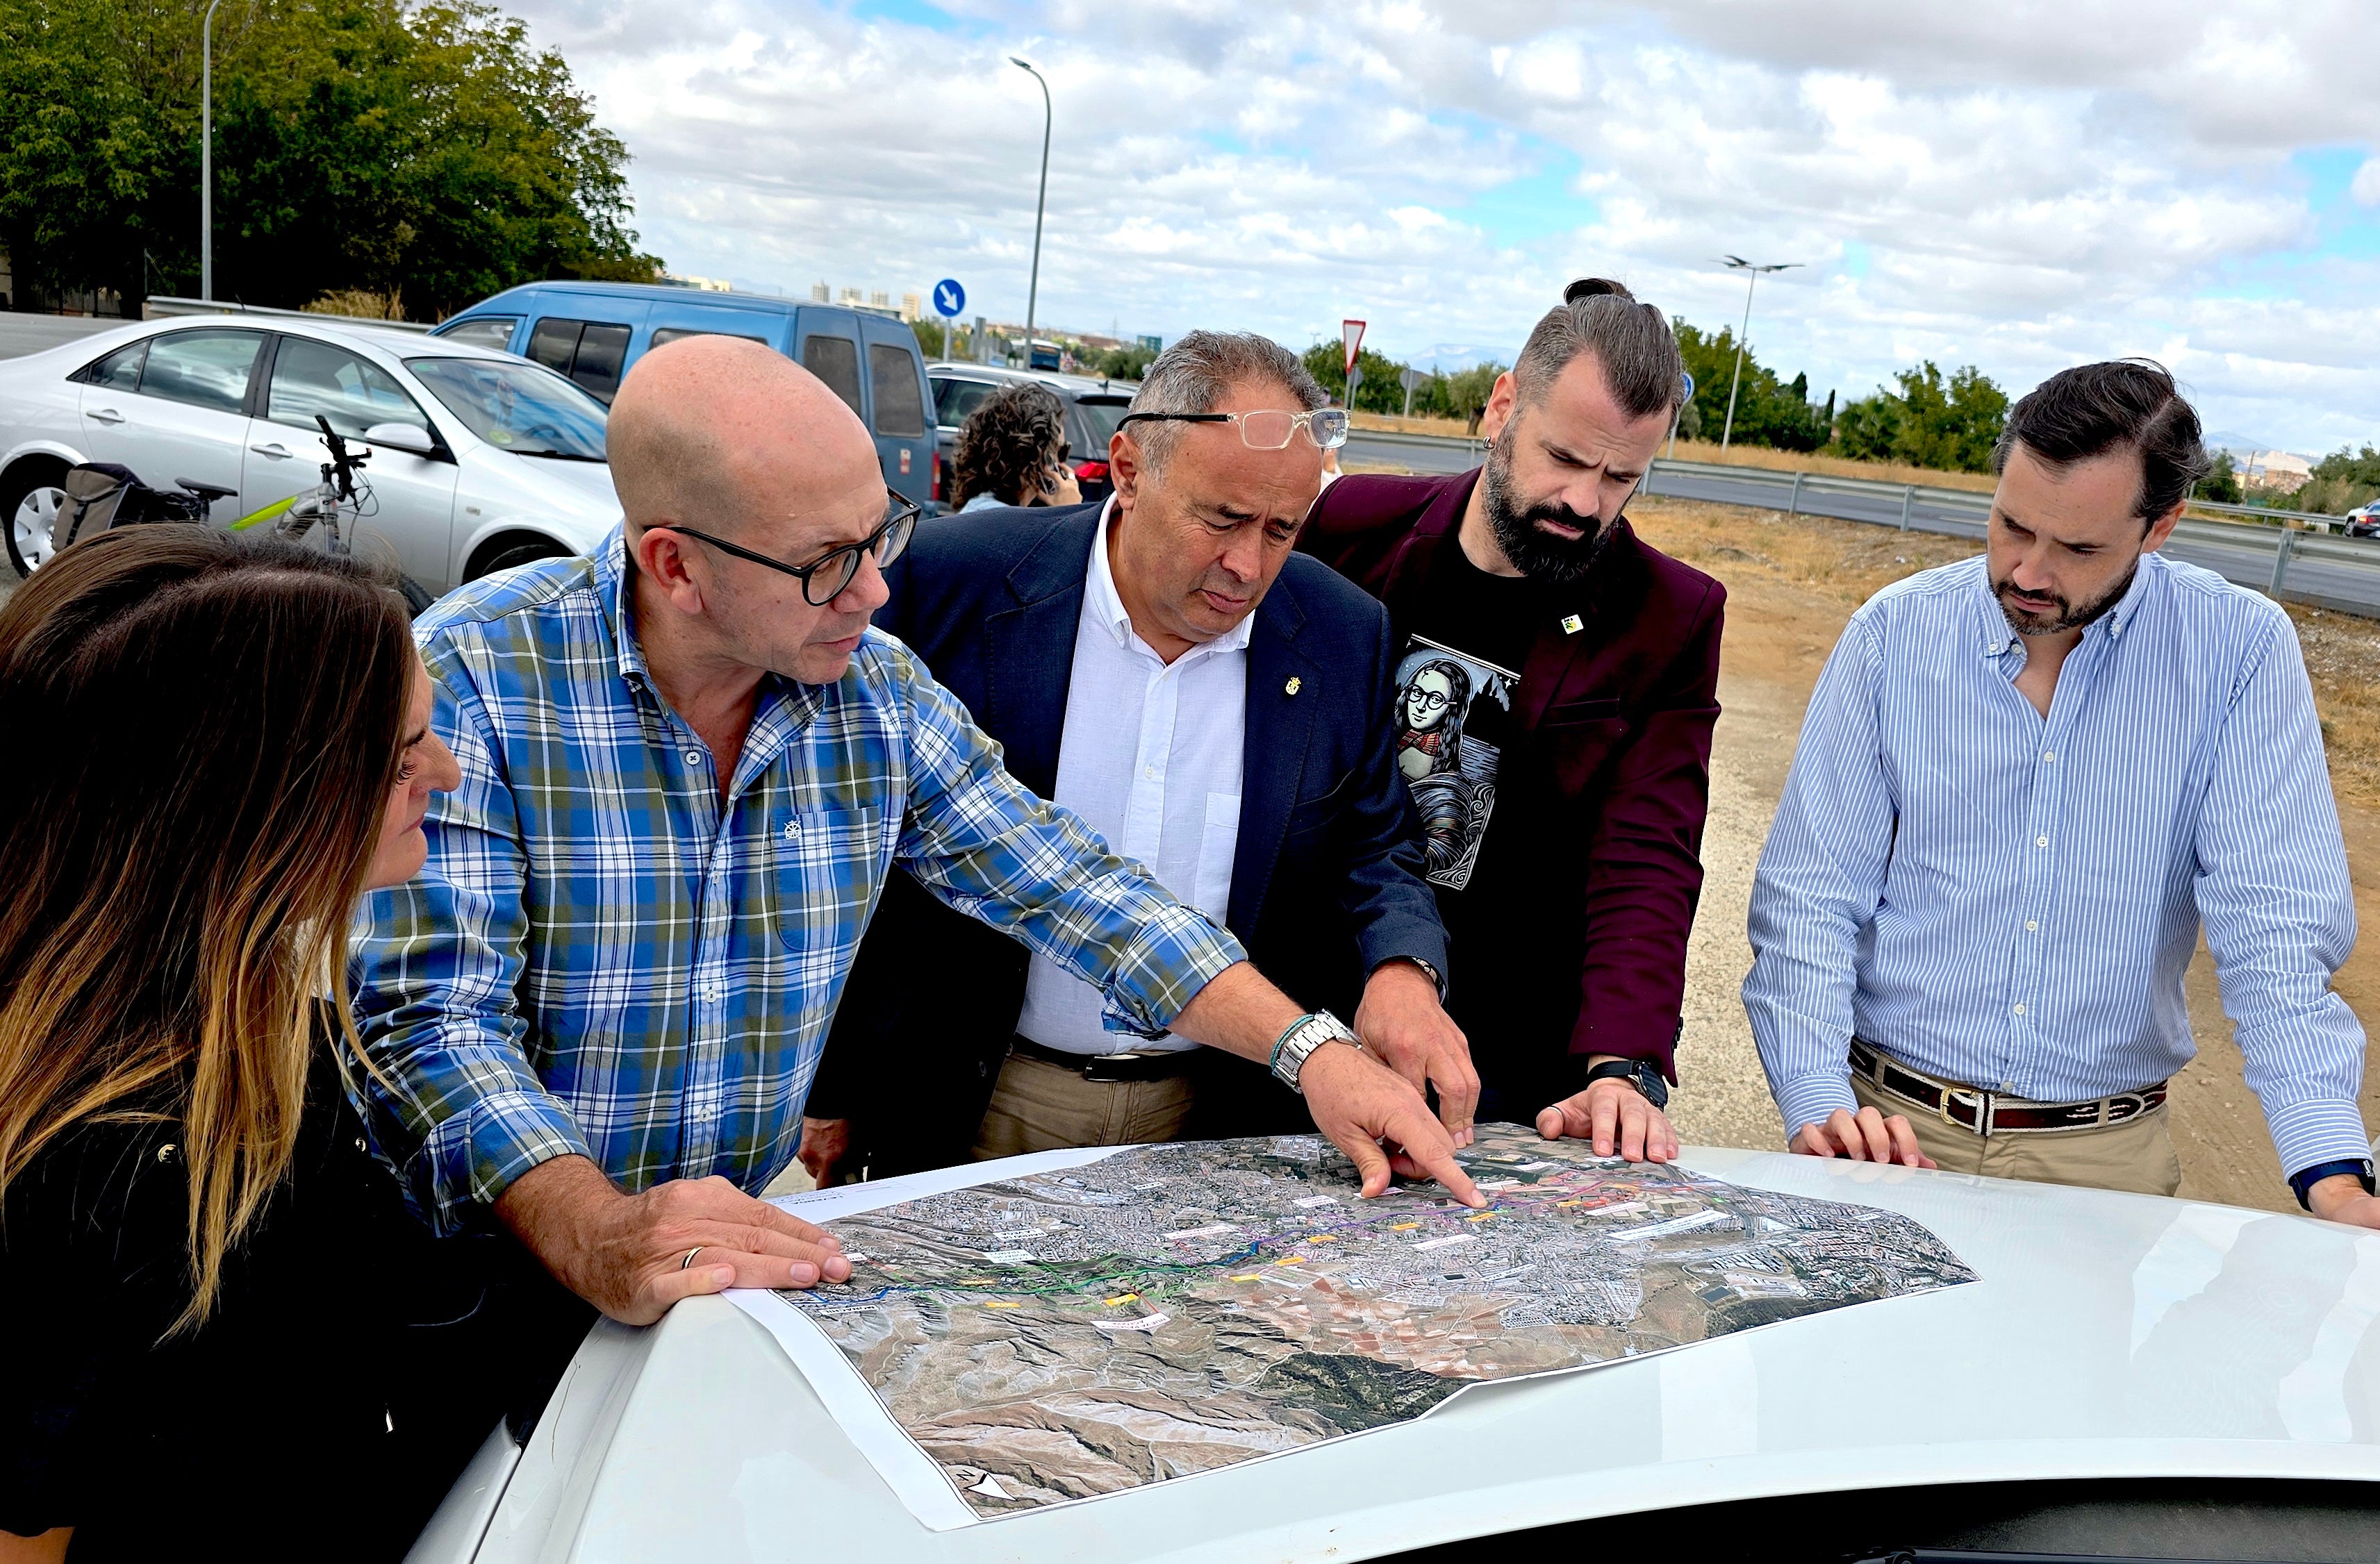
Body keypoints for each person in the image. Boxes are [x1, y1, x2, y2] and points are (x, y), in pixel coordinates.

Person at [350, 335, 1484, 1335]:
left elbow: (1070, 886)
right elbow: (431, 1023)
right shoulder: (478, 679)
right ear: (675, 565)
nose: (876, 592)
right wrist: (593, 1226)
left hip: (723, 1271)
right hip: (492, 1270)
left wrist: (1311, 1050)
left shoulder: (873, 696)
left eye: (880, 535)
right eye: (826, 563)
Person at [799, 332, 1473, 1182]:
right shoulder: (951, 582)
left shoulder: (1343, 631)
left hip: (1221, 1116)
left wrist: (1404, 968)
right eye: (1222, 519)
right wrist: (836, 1085)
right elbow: (850, 836)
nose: (1247, 564)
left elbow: (1378, 845)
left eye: (1281, 530)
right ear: (1127, 466)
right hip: (973, 1098)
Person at [1743, 359, 2380, 1224]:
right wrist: (1818, 1103)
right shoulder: (1894, 635)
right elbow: (1812, 899)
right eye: (2012, 525)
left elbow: (2272, 923)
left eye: (2078, 548)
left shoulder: (2240, 652)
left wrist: (2331, 1167)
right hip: (1881, 1134)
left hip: (2100, 1167)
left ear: (2161, 527)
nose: (2029, 571)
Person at [0, 528, 490, 1562]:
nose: (445, 776)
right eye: (402, 754)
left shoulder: (247, 1019)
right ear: (245, 798)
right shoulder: (108, 1167)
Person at [1300, 278, 1722, 1163]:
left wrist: (1622, 1065)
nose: (1584, 501)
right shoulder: (1346, 531)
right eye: (1564, 457)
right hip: (1308, 1024)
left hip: (1505, 1072)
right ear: (1501, 406)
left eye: (1621, 478)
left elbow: (1648, 852)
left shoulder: (1668, 617)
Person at [951, 380, 1082, 512]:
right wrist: (1070, 512)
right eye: (1060, 452)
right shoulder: (1006, 521)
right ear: (1041, 457)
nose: (1061, 466)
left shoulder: (981, 507)